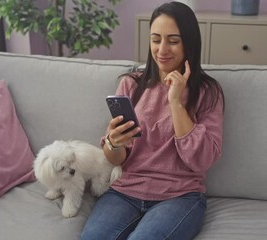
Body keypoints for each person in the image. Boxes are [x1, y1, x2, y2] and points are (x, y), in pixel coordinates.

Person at [81, 2, 224, 239]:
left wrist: (176, 102)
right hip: (125, 191)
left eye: (173, 40)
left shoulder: (208, 92)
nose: (162, 49)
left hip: (180, 196)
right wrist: (113, 144)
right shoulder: (131, 85)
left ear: (189, 43)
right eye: (156, 39)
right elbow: (116, 157)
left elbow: (201, 160)